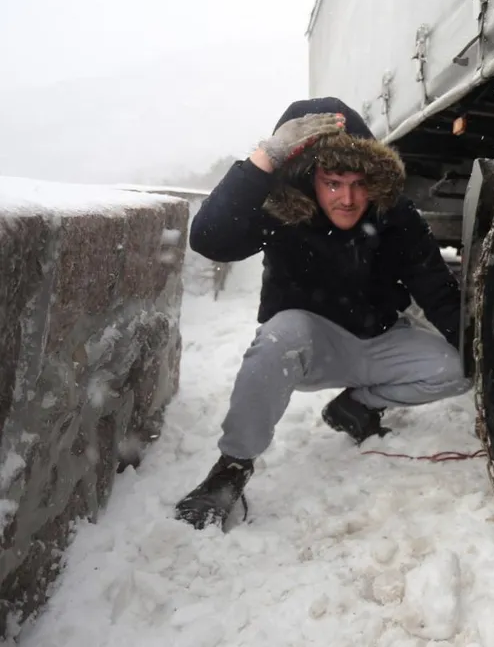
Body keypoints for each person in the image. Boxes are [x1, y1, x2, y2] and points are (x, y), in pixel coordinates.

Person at [175, 97, 469, 530]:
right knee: (280, 336)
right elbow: (209, 239)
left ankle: (355, 406)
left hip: (382, 338)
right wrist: (265, 160)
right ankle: (231, 469)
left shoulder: (396, 215)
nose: (347, 199)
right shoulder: (282, 214)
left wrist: (483, 351)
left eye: (356, 183)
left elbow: (437, 289)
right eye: (332, 182)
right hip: (310, 348)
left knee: (460, 367)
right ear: (310, 180)